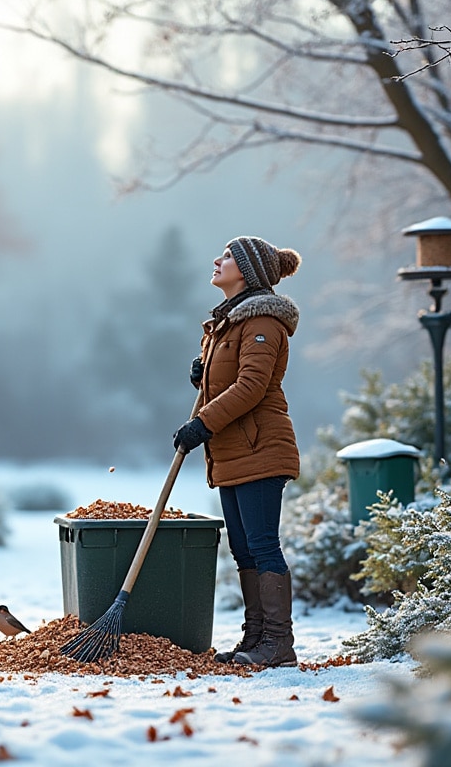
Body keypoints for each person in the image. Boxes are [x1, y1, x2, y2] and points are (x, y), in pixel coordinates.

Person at [174, 235, 302, 668]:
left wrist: (202, 424)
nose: (218, 259)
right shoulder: (227, 323)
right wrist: (204, 377)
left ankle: (279, 643)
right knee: (244, 551)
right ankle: (256, 637)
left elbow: (251, 388)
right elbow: (233, 379)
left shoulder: (263, 320)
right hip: (232, 451)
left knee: (263, 545)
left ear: (247, 272)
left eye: (228, 256)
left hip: (260, 447)